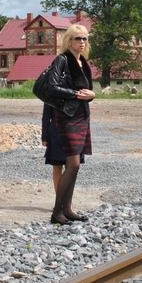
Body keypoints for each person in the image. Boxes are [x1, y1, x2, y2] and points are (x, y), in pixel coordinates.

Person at [44, 24, 96, 225]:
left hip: (81, 116)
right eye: (77, 38)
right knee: (72, 164)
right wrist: (77, 94)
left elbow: (87, 90)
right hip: (66, 117)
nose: (81, 42)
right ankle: (57, 213)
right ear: (68, 40)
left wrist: (90, 96)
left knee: (75, 166)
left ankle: (67, 209)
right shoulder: (62, 59)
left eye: (84, 38)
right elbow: (52, 87)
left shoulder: (82, 61)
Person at [41, 104, 84, 196]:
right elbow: (46, 115)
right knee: (57, 166)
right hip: (56, 133)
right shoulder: (51, 90)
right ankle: (59, 200)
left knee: (71, 168)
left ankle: (67, 201)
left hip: (74, 131)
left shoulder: (77, 89)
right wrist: (44, 136)